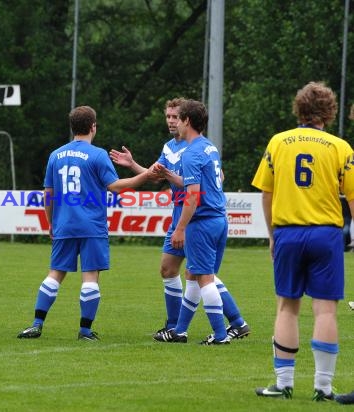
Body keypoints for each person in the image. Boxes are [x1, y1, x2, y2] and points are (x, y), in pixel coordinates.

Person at [110, 98, 250, 343]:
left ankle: (223, 327)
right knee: (174, 269)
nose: (171, 121)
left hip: (194, 215)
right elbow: (157, 176)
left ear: (186, 120)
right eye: (168, 117)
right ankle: (179, 328)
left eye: (176, 117)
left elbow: (203, 185)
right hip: (192, 214)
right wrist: (132, 164)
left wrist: (182, 226)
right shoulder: (173, 148)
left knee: (202, 274)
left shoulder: (193, 149)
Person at [17, 105, 159, 341]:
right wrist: (144, 176)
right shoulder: (97, 155)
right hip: (92, 225)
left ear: (72, 127)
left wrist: (51, 222)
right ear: (93, 126)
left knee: (55, 274)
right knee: (90, 277)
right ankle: (84, 330)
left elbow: (48, 194)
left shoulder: (56, 155)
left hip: (64, 224)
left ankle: (36, 324)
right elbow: (114, 187)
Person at [252, 82, 354, 401]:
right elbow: (352, 197)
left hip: (288, 232)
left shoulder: (279, 142)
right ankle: (323, 388)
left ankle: (283, 384)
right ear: (328, 110)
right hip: (326, 234)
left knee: (287, 307)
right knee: (325, 311)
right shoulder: (340, 147)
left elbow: (266, 195)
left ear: (298, 107)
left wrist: (272, 235)